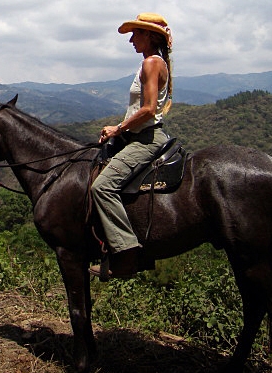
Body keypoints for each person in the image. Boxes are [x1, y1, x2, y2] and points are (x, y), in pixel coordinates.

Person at [89, 13, 173, 280]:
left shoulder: (151, 63)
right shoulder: (153, 62)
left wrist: (118, 128)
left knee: (101, 187)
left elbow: (148, 110)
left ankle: (126, 256)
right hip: (138, 135)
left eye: (135, 34)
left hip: (146, 139)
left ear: (149, 35)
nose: (131, 40)